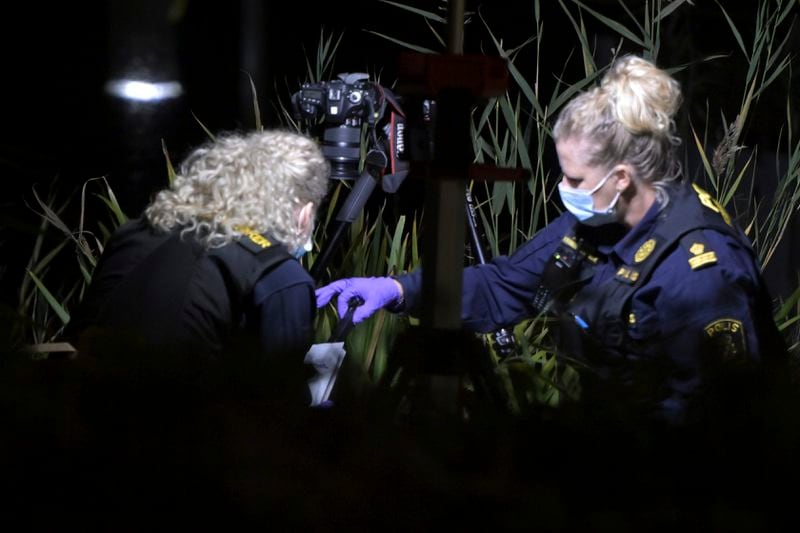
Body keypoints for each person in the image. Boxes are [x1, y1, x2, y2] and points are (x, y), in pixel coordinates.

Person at [315, 55, 787, 427]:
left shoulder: (697, 270)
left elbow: (716, 419)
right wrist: (399, 290)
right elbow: (506, 286)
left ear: (621, 177)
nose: (564, 189)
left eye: (574, 178)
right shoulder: (593, 225)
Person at [67, 128, 330, 363]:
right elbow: (280, 400)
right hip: (191, 414)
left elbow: (78, 340)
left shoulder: (134, 234)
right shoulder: (278, 275)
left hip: (82, 407)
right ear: (304, 214)